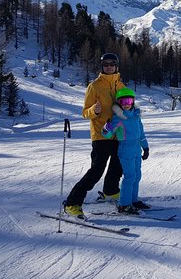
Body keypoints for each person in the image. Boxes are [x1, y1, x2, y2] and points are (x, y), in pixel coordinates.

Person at [63, 53, 126, 219]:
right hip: (100, 134)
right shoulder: (94, 86)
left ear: (117, 66)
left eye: (112, 64)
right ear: (102, 67)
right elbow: (85, 112)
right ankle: (72, 203)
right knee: (96, 170)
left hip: (118, 134)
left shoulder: (121, 86)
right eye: (106, 64)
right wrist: (94, 111)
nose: (109, 67)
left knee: (118, 165)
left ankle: (111, 192)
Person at [103, 87, 150, 214]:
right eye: (123, 102)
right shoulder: (119, 118)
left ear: (133, 102)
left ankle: (133, 200)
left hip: (136, 150)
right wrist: (107, 127)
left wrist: (145, 147)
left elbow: (141, 134)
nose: (126, 105)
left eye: (129, 101)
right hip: (125, 150)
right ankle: (124, 204)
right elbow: (107, 134)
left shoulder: (136, 117)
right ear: (119, 103)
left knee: (137, 176)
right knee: (130, 176)